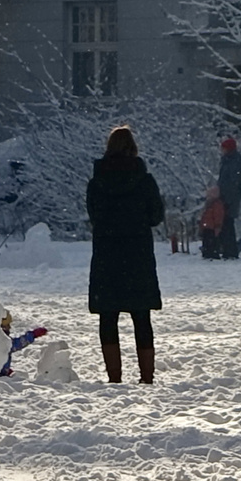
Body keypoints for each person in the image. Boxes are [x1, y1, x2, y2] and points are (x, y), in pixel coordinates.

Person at [86, 125, 165, 384]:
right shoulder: (144, 181)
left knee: (108, 316)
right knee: (141, 316)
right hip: (137, 255)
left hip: (107, 255)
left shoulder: (97, 183)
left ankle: (114, 377)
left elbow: (94, 216)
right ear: (133, 147)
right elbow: (156, 217)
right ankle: (146, 376)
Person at [215, 136, 241, 260]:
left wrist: (225, 198)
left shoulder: (232, 163)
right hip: (228, 198)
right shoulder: (230, 161)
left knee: (227, 224)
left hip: (229, 199)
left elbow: (231, 183)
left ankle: (230, 250)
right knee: (226, 224)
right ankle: (228, 249)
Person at [199, 184, 226, 260]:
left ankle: (212, 253)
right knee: (207, 241)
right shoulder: (208, 204)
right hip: (207, 226)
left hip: (212, 227)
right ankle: (207, 253)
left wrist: (218, 226)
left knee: (212, 241)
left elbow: (218, 216)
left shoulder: (216, 204)